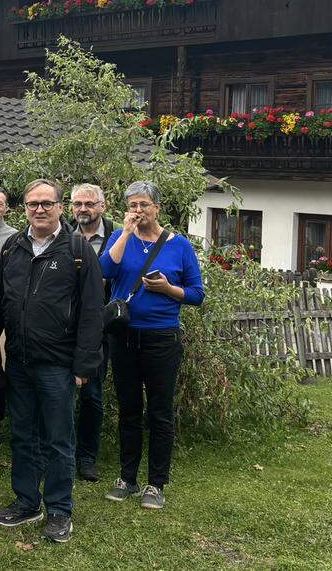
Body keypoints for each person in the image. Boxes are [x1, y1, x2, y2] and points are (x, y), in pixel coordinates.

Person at [0, 178, 103, 544]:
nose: (39, 209)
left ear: (59, 207)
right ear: (23, 208)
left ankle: (58, 509)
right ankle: (26, 501)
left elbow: (91, 312)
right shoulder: (12, 248)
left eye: (46, 203)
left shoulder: (77, 250)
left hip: (58, 364)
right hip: (19, 361)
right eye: (32, 203)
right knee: (22, 436)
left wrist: (85, 366)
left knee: (58, 440)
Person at [100, 181, 204, 510]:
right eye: (133, 205)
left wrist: (167, 289)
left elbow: (197, 294)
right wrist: (126, 234)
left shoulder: (180, 246)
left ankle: (156, 483)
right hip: (125, 335)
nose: (138, 211)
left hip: (162, 337)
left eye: (144, 204)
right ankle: (127, 478)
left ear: (158, 207)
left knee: (160, 412)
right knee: (129, 408)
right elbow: (104, 270)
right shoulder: (120, 237)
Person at [68, 183, 115, 482]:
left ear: (102, 206)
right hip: (64, 325)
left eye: (89, 204)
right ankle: (61, 451)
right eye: (77, 204)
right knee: (61, 393)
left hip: (100, 327)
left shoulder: (119, 235)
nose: (83, 209)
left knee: (93, 396)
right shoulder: (62, 235)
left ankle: (87, 457)